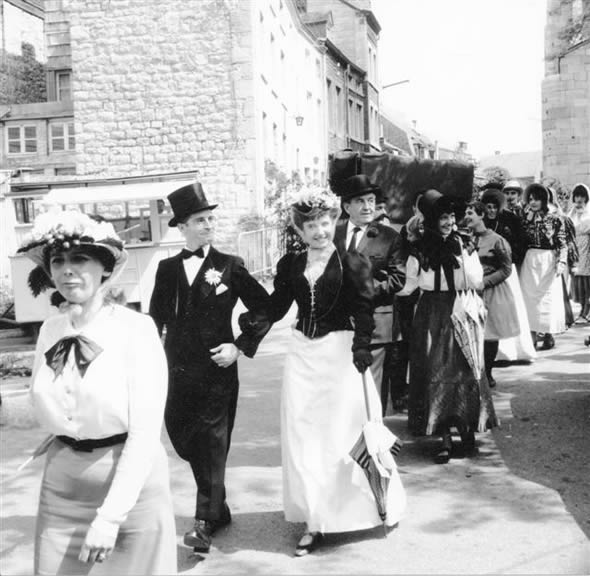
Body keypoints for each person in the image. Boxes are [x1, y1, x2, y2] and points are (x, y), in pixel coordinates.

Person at [16, 210, 176, 575]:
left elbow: (146, 432)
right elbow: (39, 405)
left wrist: (110, 518)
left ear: (104, 267)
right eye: (58, 261)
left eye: (80, 258)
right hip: (61, 491)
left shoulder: (136, 329)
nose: (67, 270)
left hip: (129, 490)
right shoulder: (50, 330)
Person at [257, 187, 405, 556]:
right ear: (300, 230)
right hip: (302, 356)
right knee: (303, 433)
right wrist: (246, 336)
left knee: (340, 433)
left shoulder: (351, 261)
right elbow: (277, 306)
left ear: (334, 220)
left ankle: (365, 506)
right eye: (311, 226)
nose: (319, 231)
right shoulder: (291, 264)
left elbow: (364, 308)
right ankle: (314, 517)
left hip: (339, 354)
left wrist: (360, 347)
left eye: (324, 223)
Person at [149, 182, 270, 553]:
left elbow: (264, 308)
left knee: (213, 443)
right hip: (177, 372)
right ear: (181, 227)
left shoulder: (229, 266)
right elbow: (154, 320)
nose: (207, 225)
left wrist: (239, 345)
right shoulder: (167, 269)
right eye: (199, 220)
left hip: (218, 370)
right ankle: (218, 507)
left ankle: (203, 523)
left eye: (210, 219)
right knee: (185, 440)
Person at [397, 189, 498, 464]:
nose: (449, 222)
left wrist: (467, 261)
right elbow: (410, 286)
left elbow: (476, 280)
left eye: (451, 216)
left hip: (460, 307)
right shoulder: (418, 249)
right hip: (431, 313)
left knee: (466, 369)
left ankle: (467, 431)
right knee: (436, 371)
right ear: (430, 220)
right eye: (442, 217)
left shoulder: (465, 244)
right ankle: (442, 436)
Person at [333, 174, 406, 405]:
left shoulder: (389, 237)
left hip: (376, 323)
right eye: (360, 201)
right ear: (347, 206)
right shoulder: (332, 233)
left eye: (371, 201)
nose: (367, 207)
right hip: (336, 323)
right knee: (341, 389)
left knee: (372, 390)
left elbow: (397, 279)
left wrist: (364, 292)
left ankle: (375, 438)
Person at [464, 201, 519, 387]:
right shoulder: (465, 238)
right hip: (469, 292)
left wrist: (484, 283)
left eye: (470, 213)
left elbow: (506, 269)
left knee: (489, 334)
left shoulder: (497, 240)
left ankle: (487, 372)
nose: (467, 217)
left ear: (481, 215)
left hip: (492, 291)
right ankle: (474, 371)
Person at [480, 184, 536, 362]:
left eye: (495, 207)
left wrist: (513, 258)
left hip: (506, 271)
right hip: (488, 273)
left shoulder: (511, 219)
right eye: (488, 207)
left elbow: (522, 241)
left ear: (499, 207)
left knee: (509, 311)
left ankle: (517, 351)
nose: (491, 210)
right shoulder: (481, 223)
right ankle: (495, 355)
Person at [520, 183, 567, 350]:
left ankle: (548, 333)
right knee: (530, 299)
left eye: (537, 199)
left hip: (548, 259)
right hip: (531, 259)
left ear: (544, 200)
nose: (533, 202)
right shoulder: (525, 217)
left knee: (547, 298)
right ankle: (531, 336)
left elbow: (562, 243)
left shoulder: (555, 218)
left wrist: (562, 261)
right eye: (530, 199)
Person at [567, 183, 590, 322]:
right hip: (576, 251)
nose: (579, 199)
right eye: (577, 195)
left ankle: (586, 311)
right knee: (579, 282)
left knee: (588, 281)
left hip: (587, 250)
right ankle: (582, 308)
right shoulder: (571, 214)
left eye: (582, 196)